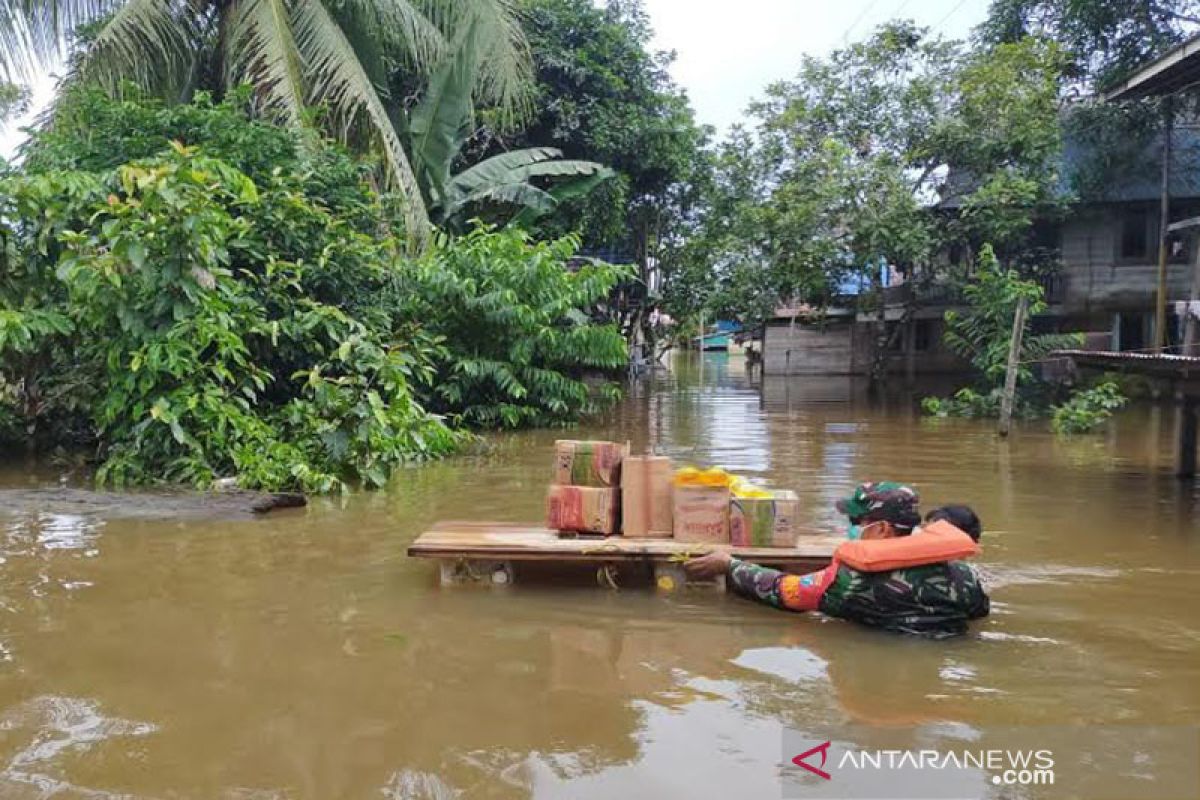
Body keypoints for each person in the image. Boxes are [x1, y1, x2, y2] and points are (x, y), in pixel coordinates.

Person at [684, 486, 990, 639]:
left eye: (857, 520)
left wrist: (730, 565)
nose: (852, 527)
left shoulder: (849, 582)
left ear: (882, 529)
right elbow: (980, 614)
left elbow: (782, 590)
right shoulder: (964, 575)